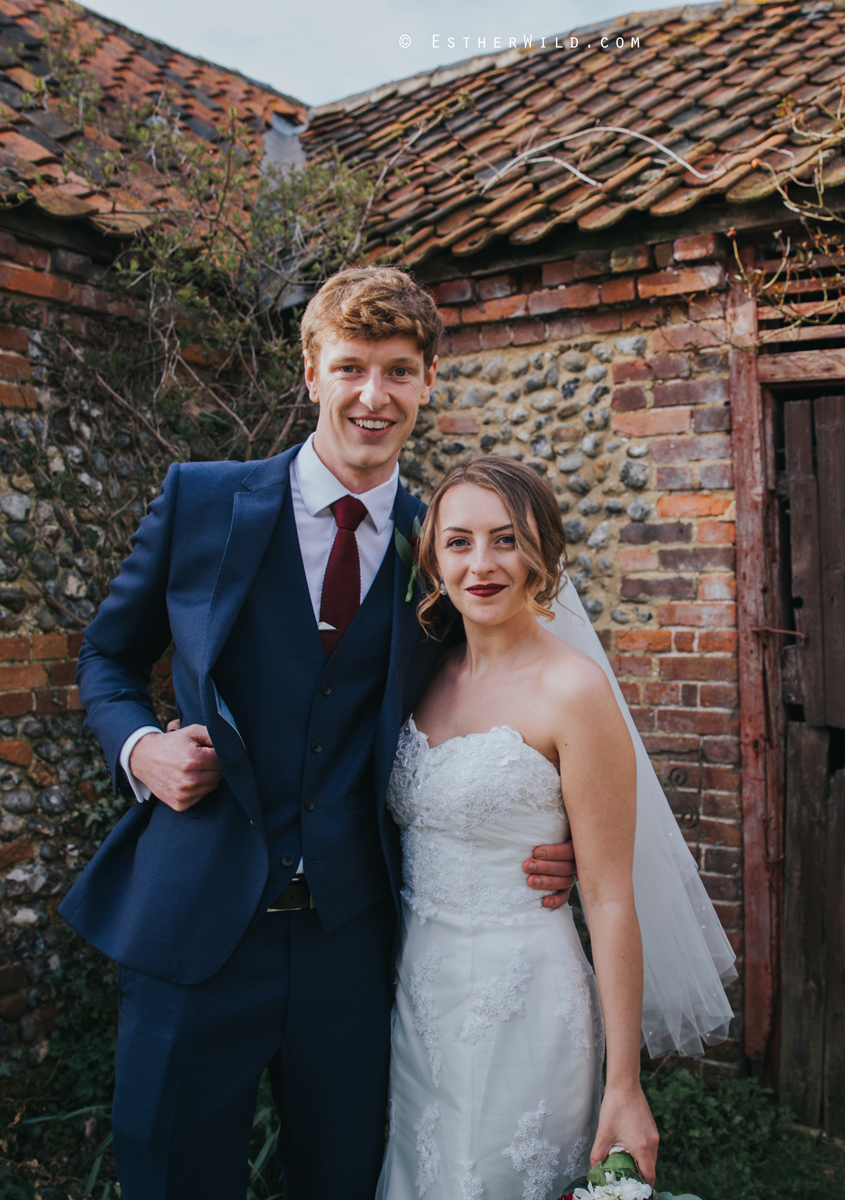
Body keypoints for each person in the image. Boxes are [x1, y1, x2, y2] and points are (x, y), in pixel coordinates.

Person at [59, 267, 577, 1200]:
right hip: (196, 925)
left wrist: (547, 829)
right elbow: (104, 658)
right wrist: (143, 748)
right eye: (350, 368)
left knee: (340, 1181)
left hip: (354, 941)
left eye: (397, 371)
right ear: (311, 374)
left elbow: (507, 688)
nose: (373, 396)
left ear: (426, 381)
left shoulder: (442, 547)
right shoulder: (202, 501)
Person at [377, 456, 737, 1200]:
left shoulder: (573, 689)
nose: (482, 564)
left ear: (543, 553)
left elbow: (609, 897)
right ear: (432, 556)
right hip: (416, 999)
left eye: (506, 540)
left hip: (525, 1000)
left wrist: (626, 1085)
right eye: (460, 542)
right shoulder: (421, 675)